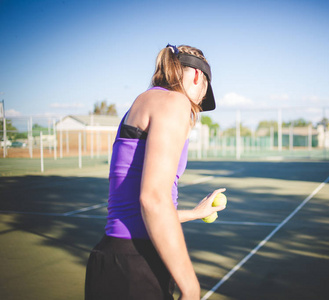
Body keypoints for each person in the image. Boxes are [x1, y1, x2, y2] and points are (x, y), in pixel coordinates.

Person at [85, 44, 226, 300]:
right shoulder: (175, 103)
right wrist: (190, 288)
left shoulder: (142, 102)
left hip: (110, 259)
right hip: (138, 265)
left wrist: (195, 214)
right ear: (198, 77)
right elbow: (152, 200)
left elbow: (136, 211)